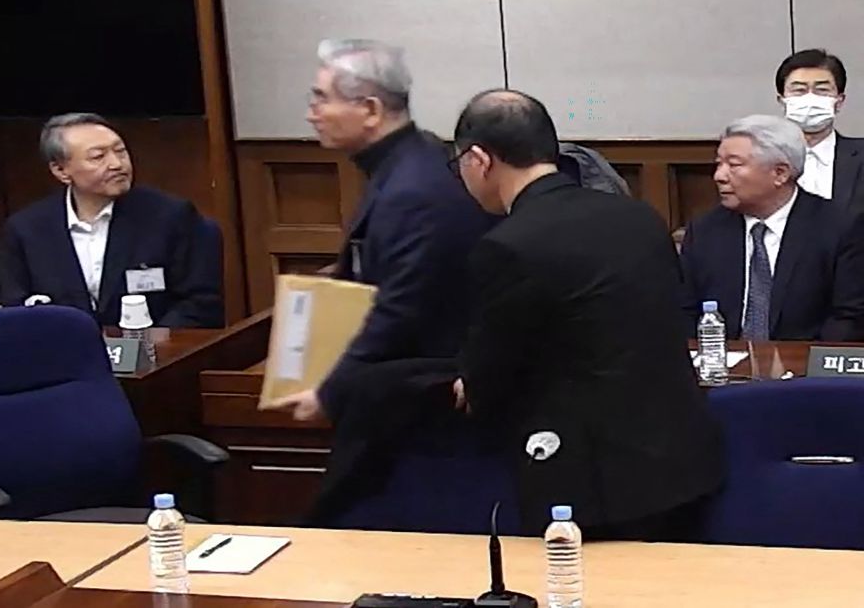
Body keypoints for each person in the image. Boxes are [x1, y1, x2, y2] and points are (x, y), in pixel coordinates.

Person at [452, 89, 723, 539]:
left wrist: (469, 380)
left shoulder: (508, 246)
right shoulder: (638, 217)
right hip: (683, 464)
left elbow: (490, 379)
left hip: (589, 485)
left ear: (479, 160)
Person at [265, 39, 494, 423]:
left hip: (422, 406)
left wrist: (331, 390)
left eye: (321, 99)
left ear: (370, 110)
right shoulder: (413, 157)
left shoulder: (412, 189)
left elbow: (399, 306)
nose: (311, 114)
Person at [0, 113, 223, 327]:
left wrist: (147, 348)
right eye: (98, 157)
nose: (117, 164)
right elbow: (16, 308)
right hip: (62, 357)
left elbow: (200, 303)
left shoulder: (171, 216)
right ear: (60, 170)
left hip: (156, 356)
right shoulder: (27, 229)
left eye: (121, 151)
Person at [679, 115, 864, 341]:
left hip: (806, 368)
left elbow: (849, 316)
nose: (719, 176)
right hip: (723, 367)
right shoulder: (705, 231)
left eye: (734, 165)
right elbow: (685, 311)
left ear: (780, 173)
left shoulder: (840, 226)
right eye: (719, 164)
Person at [775, 48, 864, 217]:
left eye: (822, 90)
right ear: (782, 100)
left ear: (839, 101)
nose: (810, 98)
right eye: (799, 90)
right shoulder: (763, 160)